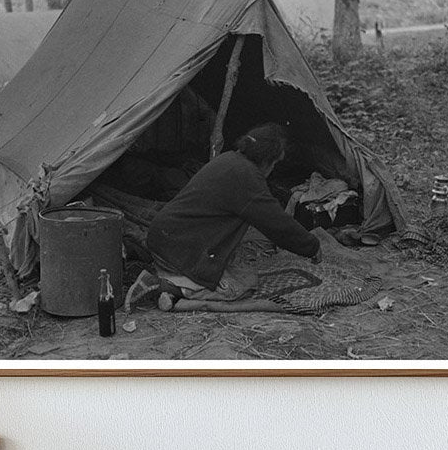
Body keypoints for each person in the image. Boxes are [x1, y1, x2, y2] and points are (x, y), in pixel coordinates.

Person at [126, 123, 322, 310]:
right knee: (243, 285)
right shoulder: (246, 177)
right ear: (266, 160)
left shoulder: (229, 159)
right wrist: (311, 247)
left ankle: (171, 287)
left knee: (239, 270)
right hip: (178, 247)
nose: (273, 170)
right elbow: (276, 222)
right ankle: (164, 287)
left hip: (166, 239)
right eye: (275, 164)